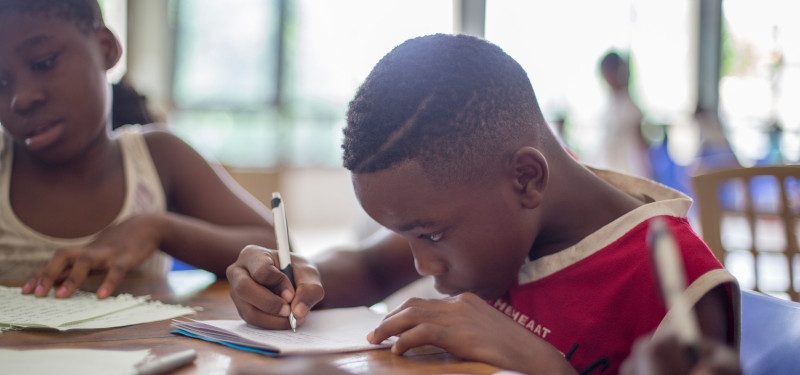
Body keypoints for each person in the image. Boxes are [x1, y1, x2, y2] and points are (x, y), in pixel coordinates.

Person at [226, 34, 739, 374]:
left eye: (428, 234)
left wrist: (543, 363)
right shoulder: (500, 213)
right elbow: (364, 267)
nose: (419, 264)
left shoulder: (680, 286)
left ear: (526, 179)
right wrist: (290, 279)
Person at [0, 0, 275, 299]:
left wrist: (158, 229)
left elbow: (279, 251)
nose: (21, 99)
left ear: (106, 49)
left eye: (43, 63)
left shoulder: (159, 158)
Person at [598, 50, 652, 179]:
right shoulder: (611, 105)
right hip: (612, 170)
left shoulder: (630, 107)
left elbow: (641, 147)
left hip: (628, 172)